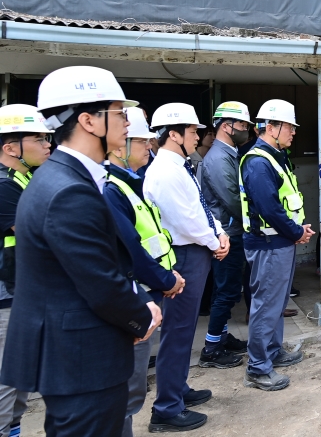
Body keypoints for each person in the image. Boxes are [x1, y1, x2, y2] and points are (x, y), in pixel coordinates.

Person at [1, 66, 161, 437]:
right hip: (81, 358)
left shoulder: (63, 176)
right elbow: (99, 281)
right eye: (119, 113)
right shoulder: (68, 190)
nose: (128, 122)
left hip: (76, 356)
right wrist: (141, 316)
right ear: (89, 121)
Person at [144, 103, 231, 432]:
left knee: (183, 330)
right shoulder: (165, 171)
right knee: (177, 332)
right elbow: (186, 220)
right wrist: (215, 241)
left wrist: (218, 233)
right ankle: (166, 408)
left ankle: (177, 389)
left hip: (195, 249)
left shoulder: (178, 165)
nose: (198, 136)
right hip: (184, 253)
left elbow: (201, 209)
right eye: (193, 132)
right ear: (173, 134)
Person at [104, 107, 186, 437]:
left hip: (153, 289)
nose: (148, 148)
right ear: (118, 145)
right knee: (126, 386)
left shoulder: (131, 184)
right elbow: (132, 251)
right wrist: (166, 279)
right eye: (140, 142)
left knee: (134, 385)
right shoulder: (112, 190)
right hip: (138, 295)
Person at [239, 99, 314, 391]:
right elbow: (269, 208)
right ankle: (257, 368)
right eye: (289, 127)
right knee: (266, 305)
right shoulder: (258, 161)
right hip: (268, 244)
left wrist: (295, 230)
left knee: (277, 303)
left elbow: (284, 203)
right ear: (271, 127)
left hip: (279, 240)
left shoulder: (273, 156)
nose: (293, 132)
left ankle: (272, 352)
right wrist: (296, 232)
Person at [0, 105, 54, 437]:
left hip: (22, 291)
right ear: (10, 148)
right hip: (7, 297)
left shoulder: (21, 178)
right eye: (38, 138)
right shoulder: (4, 186)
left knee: (20, 379)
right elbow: (38, 232)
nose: (48, 144)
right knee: (9, 379)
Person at [199, 102, 254, 369]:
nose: (245, 130)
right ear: (226, 126)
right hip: (228, 234)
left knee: (227, 289)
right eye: (242, 126)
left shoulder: (228, 153)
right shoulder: (219, 158)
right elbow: (233, 199)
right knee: (226, 290)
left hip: (231, 231)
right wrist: (254, 220)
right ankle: (211, 349)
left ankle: (219, 336)